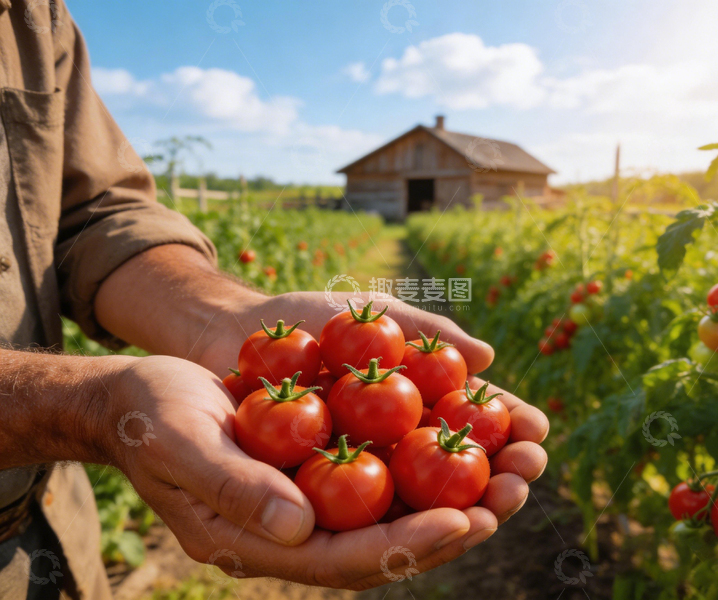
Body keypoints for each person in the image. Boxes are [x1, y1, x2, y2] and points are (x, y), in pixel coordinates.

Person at [0, 1, 549, 597]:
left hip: (54, 529)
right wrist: (83, 407)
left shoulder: (34, 15)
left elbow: (95, 213)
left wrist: (222, 316)